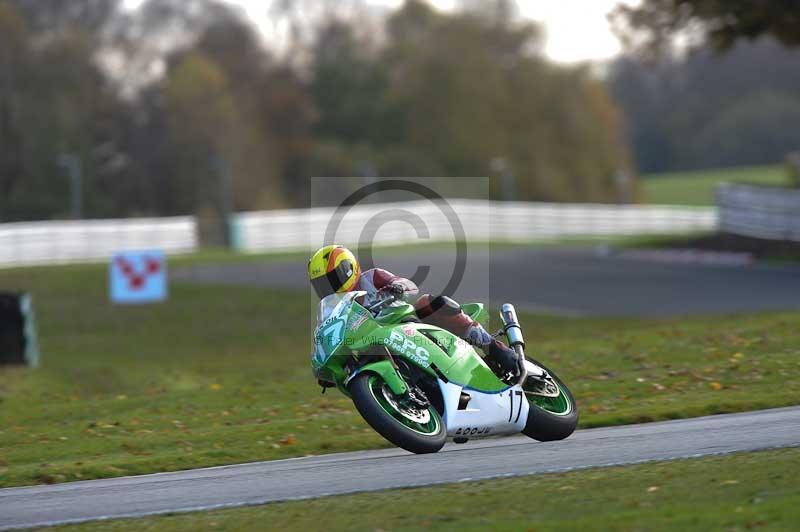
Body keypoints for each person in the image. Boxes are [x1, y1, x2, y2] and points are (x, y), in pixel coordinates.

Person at [308, 245, 520, 378]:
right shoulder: (336, 311)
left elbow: (406, 284)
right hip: (375, 341)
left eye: (333, 278)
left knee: (426, 302)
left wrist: (397, 286)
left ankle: (491, 346)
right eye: (323, 284)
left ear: (349, 268)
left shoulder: (371, 278)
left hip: (403, 322)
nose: (330, 287)